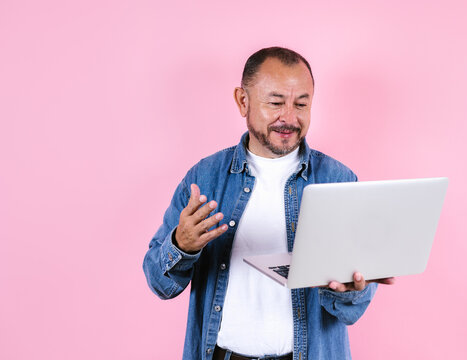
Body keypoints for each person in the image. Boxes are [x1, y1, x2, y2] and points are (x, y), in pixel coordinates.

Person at [143, 47, 395, 360]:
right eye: (276, 103)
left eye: (301, 104)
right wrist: (182, 244)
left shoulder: (339, 180)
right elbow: (160, 283)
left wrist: (350, 289)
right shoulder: (204, 179)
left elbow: (350, 311)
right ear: (243, 101)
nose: (289, 118)